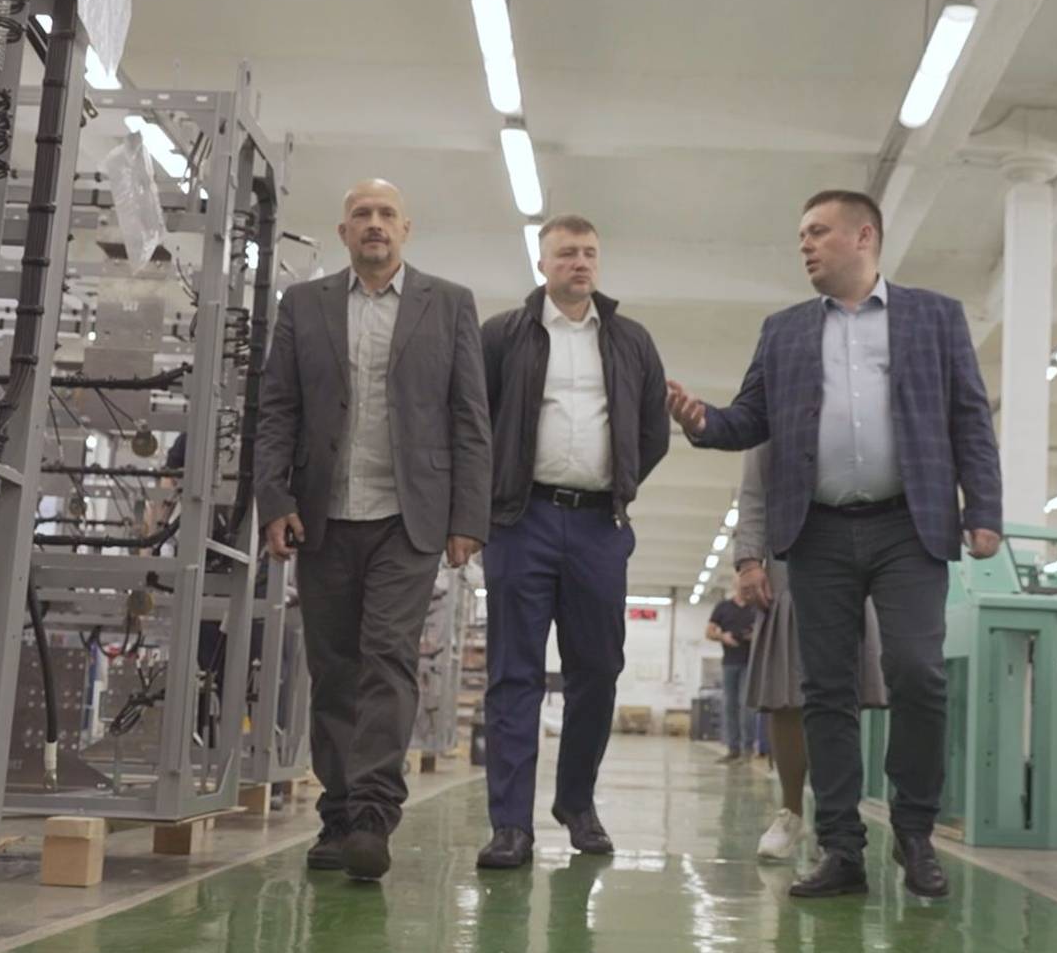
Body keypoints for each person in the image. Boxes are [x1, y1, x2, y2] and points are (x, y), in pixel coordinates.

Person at [666, 189, 1003, 900]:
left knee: (918, 671)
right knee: (826, 690)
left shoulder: (935, 317)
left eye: (818, 232)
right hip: (816, 529)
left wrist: (984, 509)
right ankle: (841, 846)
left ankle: (914, 831)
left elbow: (970, 416)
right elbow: (750, 418)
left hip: (909, 525)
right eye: (802, 236)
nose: (806, 246)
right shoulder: (784, 330)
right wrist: (702, 422)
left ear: (864, 236)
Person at [252, 178, 492, 882]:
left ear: (406, 229)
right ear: (344, 231)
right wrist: (275, 500)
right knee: (332, 667)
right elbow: (278, 409)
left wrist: (467, 518)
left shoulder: (449, 304)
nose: (375, 224)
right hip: (323, 513)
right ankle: (336, 814)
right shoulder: (304, 305)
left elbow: (470, 418)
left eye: (387, 214)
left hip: (407, 515)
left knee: (386, 656)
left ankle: (371, 814)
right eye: (362, 214)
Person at [474, 215, 669, 870]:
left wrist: (619, 484)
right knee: (514, 673)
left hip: (597, 527)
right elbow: (474, 423)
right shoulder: (503, 336)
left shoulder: (631, 341)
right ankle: (510, 825)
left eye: (588, 253)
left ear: (598, 262)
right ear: (543, 264)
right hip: (519, 521)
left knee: (598, 668)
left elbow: (653, 431)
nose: (579, 263)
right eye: (565, 253)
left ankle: (575, 802)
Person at [733, 445, 887, 862]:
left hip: (860, 543)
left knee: (842, 693)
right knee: (786, 693)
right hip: (792, 547)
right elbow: (754, 489)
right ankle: (791, 813)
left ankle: (835, 822)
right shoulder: (773, 407)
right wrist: (749, 559)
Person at [704, 590, 759, 763]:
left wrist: (754, 635)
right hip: (729, 663)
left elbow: (768, 631)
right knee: (729, 706)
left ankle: (747, 749)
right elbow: (709, 632)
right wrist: (722, 637)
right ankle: (733, 749)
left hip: (750, 663)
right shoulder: (723, 607)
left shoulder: (756, 607)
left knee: (746, 705)